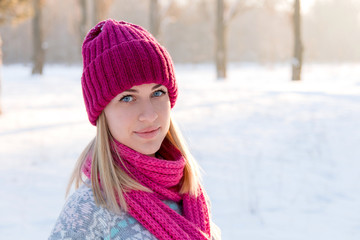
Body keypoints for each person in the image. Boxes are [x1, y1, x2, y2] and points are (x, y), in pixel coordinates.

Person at [49, 19, 220, 240]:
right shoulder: (88, 210)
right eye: (128, 98)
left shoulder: (190, 195)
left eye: (157, 93)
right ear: (102, 113)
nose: (149, 115)